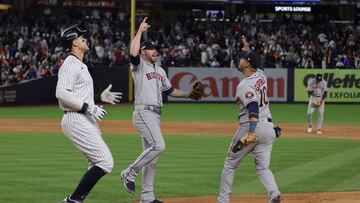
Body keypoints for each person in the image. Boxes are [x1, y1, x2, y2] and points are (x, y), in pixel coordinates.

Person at [120, 17, 203, 203]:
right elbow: (132, 51)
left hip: (155, 115)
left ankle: (147, 197)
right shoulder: (139, 66)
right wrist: (140, 31)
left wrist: (189, 94)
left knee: (153, 158)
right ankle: (129, 173)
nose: (155, 51)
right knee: (159, 146)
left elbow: (171, 91)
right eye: (150, 49)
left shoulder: (160, 70)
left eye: (155, 49)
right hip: (143, 112)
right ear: (143, 52)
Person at [55, 25, 122, 203]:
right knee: (106, 162)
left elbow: (75, 93)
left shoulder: (78, 64)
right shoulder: (71, 63)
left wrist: (99, 97)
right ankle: (73, 200)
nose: (85, 38)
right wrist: (87, 107)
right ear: (74, 42)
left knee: (95, 163)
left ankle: (76, 200)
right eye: (81, 37)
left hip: (83, 117)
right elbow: (61, 93)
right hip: (76, 117)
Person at [217, 37, 281, 203]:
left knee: (230, 164)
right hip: (269, 128)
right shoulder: (261, 76)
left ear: (247, 64)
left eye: (242, 58)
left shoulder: (245, 85)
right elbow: (256, 63)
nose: (239, 60)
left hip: (252, 126)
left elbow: (253, 107)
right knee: (263, 167)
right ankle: (274, 192)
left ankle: (222, 200)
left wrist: (251, 132)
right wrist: (247, 48)